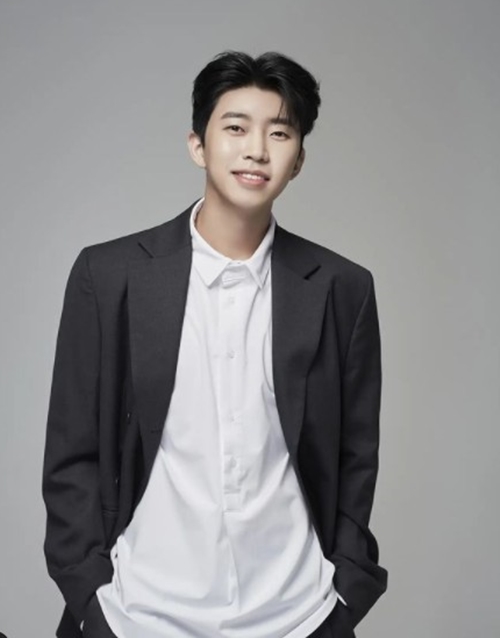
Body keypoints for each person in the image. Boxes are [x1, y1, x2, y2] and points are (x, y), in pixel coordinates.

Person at [42, 50, 387, 638]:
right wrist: (92, 599)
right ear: (198, 145)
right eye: (235, 128)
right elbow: (71, 454)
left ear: (299, 160)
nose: (257, 150)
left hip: (297, 617)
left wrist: (343, 599)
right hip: (137, 616)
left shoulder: (342, 288)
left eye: (279, 133)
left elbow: (357, 456)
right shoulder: (109, 276)